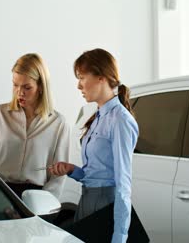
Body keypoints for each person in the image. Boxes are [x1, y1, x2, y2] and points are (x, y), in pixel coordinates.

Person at [49, 48, 139, 243]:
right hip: (87, 201)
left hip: (105, 205)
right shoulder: (97, 116)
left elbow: (123, 184)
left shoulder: (120, 120)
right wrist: (72, 170)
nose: (78, 85)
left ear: (101, 77)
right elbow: (97, 174)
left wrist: (120, 237)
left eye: (82, 77)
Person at [0, 53, 70, 198]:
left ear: (41, 87)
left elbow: (58, 176)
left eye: (27, 87)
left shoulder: (58, 123)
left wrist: (45, 203)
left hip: (37, 198)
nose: (19, 92)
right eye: (15, 85)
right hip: (0, 194)